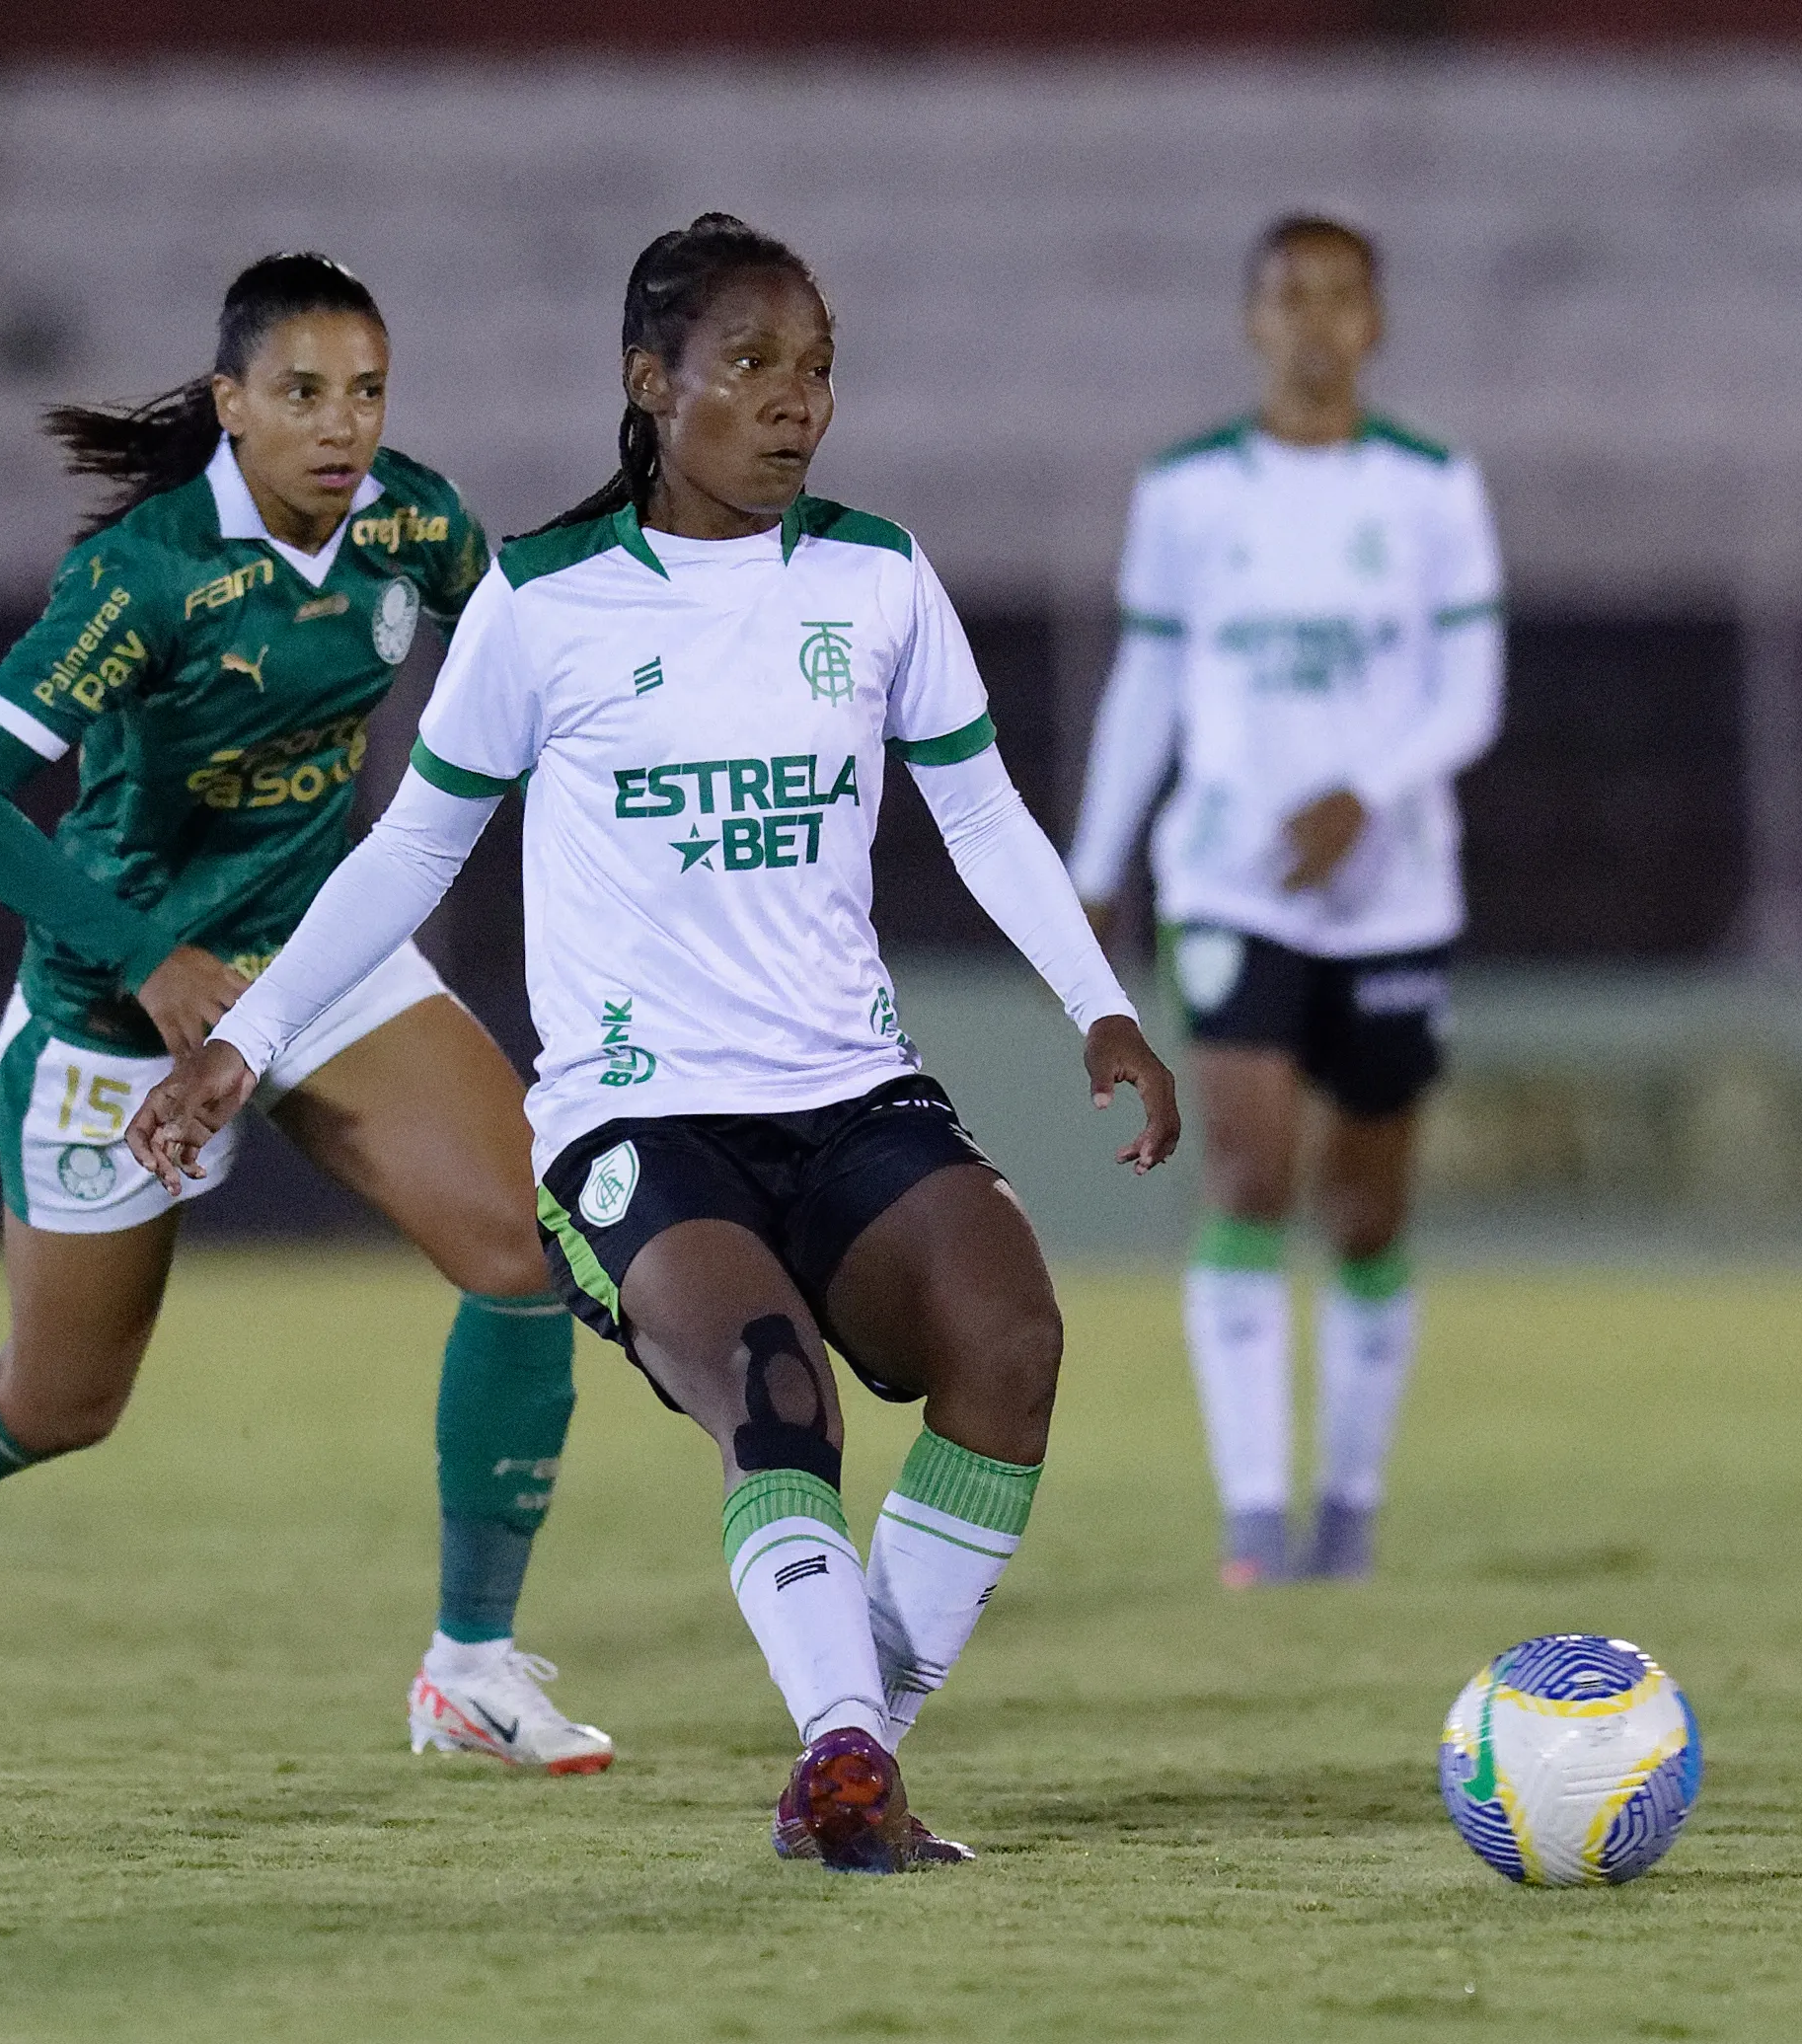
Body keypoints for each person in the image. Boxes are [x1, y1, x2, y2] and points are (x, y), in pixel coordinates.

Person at [133, 216, 1181, 1872]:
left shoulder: (878, 575)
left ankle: (851, 1757)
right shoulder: (544, 603)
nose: (797, 401)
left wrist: (1099, 1001)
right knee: (776, 1398)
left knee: (1012, 1340)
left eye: (819, 365)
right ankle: (851, 1756)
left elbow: (978, 809)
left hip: (852, 1090)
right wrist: (245, 1039)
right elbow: (411, 847)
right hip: (635, 1121)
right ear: (649, 379)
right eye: (752, 363)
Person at [0, 252, 613, 1774]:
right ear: (231, 405)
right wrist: (147, 959)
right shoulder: (143, 575)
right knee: (62, 1399)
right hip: (116, 1013)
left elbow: (530, 634)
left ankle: (467, 1666)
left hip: (318, 958)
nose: (343, 428)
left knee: (531, 1249)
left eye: (368, 393)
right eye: (304, 394)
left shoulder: (413, 522)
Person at [1067, 215, 1502, 1589]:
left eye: (1340, 296)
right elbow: (1147, 682)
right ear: (1252, 319)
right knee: (1249, 1173)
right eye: (1287, 296)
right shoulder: (1190, 490)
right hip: (1230, 880)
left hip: (1393, 897)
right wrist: (1093, 860)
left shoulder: (1431, 486)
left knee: (1366, 1216)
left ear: (1375, 321)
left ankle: (1348, 1511)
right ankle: (1256, 1517)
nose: (1314, 320)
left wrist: (1366, 790)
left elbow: (1467, 694)